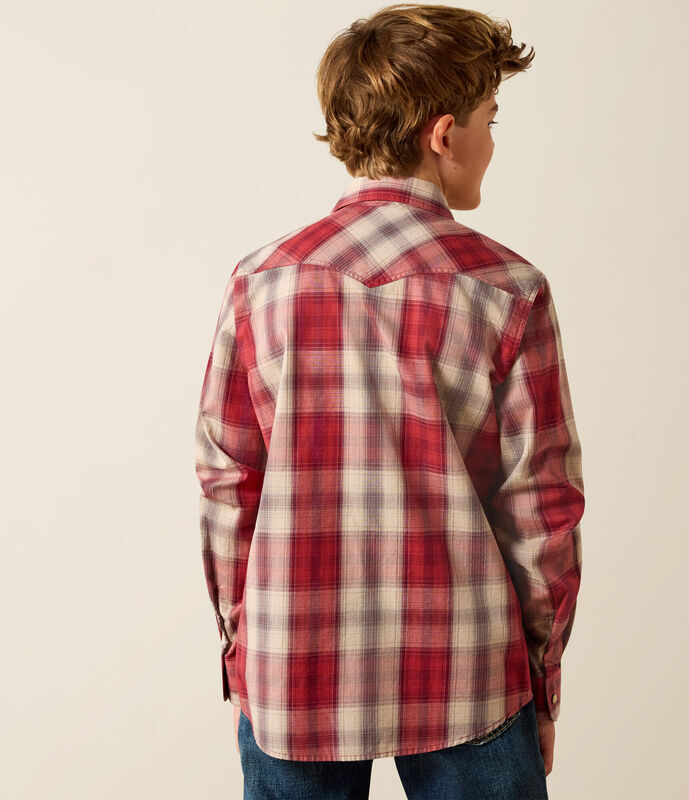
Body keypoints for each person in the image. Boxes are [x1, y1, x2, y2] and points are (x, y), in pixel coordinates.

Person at [194, 4, 585, 798]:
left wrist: (240, 655)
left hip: (293, 669)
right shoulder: (508, 290)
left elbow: (226, 487)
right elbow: (543, 512)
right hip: (470, 678)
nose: (493, 141)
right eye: (489, 120)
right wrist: (542, 681)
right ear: (444, 135)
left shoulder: (259, 284)